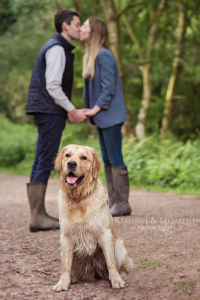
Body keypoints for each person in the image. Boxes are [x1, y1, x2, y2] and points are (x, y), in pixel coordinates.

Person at [26, 9, 86, 232]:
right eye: (77, 24)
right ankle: (38, 217)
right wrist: (72, 110)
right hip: (49, 111)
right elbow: (52, 86)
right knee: (44, 160)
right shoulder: (58, 48)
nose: (79, 28)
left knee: (40, 159)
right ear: (65, 26)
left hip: (46, 109)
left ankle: (38, 215)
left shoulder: (57, 46)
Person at [80, 17, 132, 217]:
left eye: (85, 26)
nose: (81, 29)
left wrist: (94, 108)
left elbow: (108, 87)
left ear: (94, 31)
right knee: (108, 159)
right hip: (103, 117)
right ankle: (115, 203)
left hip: (110, 115)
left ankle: (122, 204)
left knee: (115, 157)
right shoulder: (93, 56)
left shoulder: (104, 55)